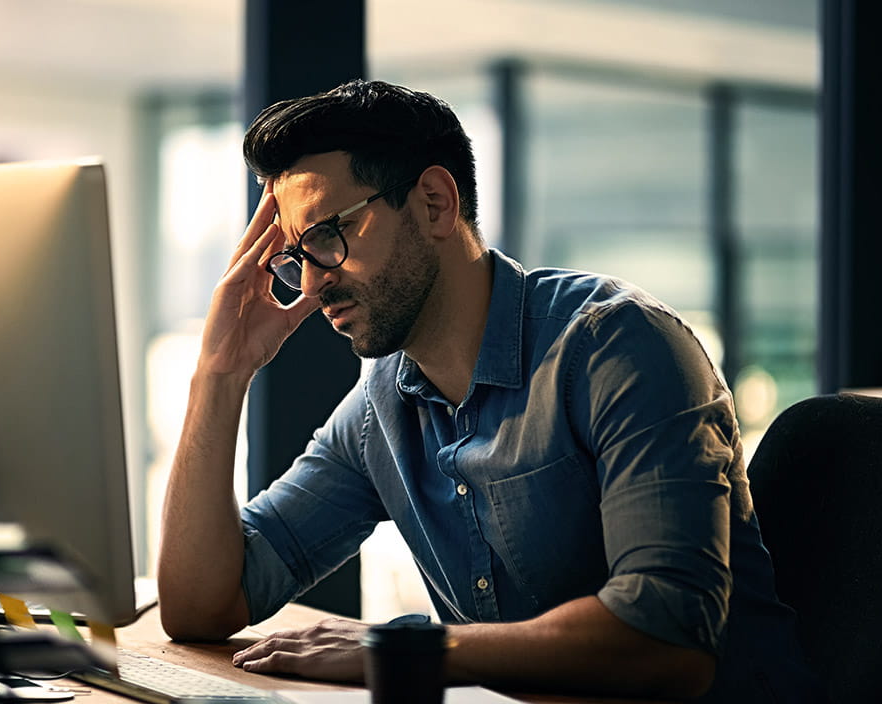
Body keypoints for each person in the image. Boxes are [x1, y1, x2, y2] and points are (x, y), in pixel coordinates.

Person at [156, 79, 822, 702]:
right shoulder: (379, 413)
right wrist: (221, 373)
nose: (310, 283)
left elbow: (667, 638)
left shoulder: (618, 348)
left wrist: (405, 650)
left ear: (434, 203)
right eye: (296, 255)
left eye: (329, 235)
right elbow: (204, 605)